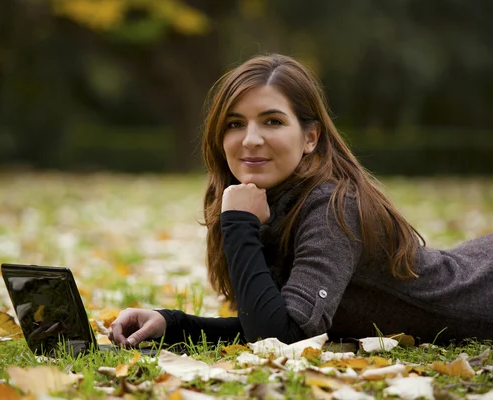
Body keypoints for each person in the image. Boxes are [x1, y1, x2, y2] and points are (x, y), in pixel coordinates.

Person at [108, 54, 493, 347]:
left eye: (272, 121)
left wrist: (240, 226)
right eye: (235, 123)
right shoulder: (272, 204)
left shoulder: (333, 207)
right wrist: (170, 324)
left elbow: (281, 340)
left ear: (310, 138)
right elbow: (273, 322)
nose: (250, 139)